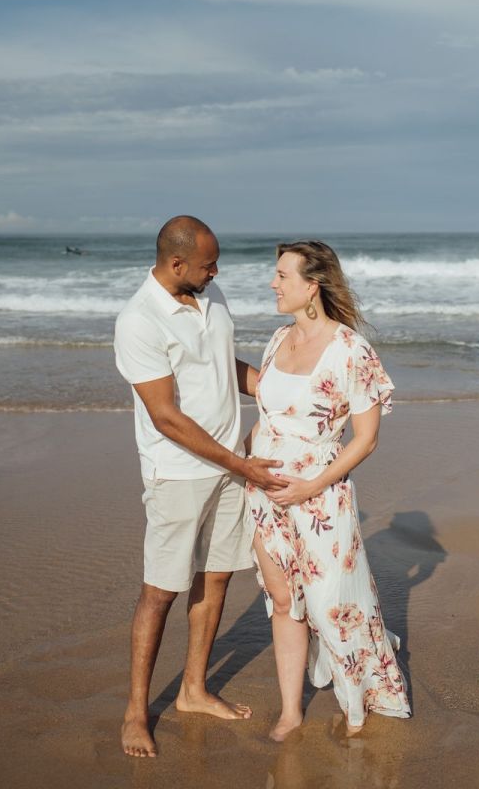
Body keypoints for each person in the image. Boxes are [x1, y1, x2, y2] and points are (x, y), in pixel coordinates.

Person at [114, 215, 285, 758]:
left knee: (215, 581)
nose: (218, 271)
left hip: (229, 468)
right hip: (178, 475)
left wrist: (265, 385)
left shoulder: (209, 294)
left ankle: (193, 689)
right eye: (209, 264)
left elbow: (218, 361)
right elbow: (165, 416)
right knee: (161, 592)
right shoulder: (139, 321)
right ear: (177, 263)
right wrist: (242, 463)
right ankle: (136, 713)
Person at [245, 240, 411, 740]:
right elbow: (263, 392)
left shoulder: (350, 351)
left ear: (311, 285)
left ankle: (362, 687)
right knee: (282, 600)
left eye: (282, 276)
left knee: (328, 605)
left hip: (319, 496)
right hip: (264, 493)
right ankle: (291, 710)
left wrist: (310, 486)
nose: (273, 284)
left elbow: (366, 438)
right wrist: (201, 354)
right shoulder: (278, 339)